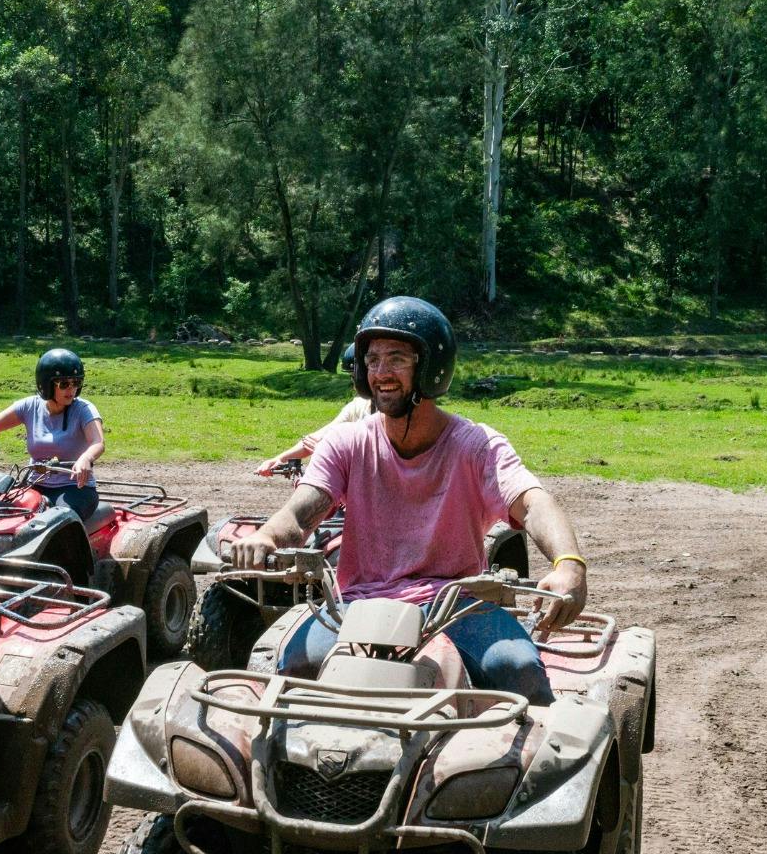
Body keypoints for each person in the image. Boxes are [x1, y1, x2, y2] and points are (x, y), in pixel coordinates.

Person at [236, 295, 590, 704]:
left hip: (456, 605)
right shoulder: (347, 443)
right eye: (371, 360)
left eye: (397, 359)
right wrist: (267, 537)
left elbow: (532, 503)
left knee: (517, 669)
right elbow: (302, 511)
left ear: (431, 368)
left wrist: (569, 564)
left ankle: (528, 766)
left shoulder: (476, 446)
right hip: (358, 605)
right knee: (291, 668)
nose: (381, 373)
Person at [0, 348, 105, 521]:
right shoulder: (29, 406)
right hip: (34, 485)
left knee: (57, 521)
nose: (71, 389)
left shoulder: (83, 409)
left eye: (76, 383)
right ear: (46, 385)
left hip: (74, 488)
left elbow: (97, 442)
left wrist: (86, 458)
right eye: (64, 384)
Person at [255, 344, 372, 476]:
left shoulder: (394, 415)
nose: (354, 386)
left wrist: (328, 452)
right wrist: (279, 459)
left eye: (356, 378)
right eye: (352, 378)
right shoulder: (359, 406)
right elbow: (317, 438)